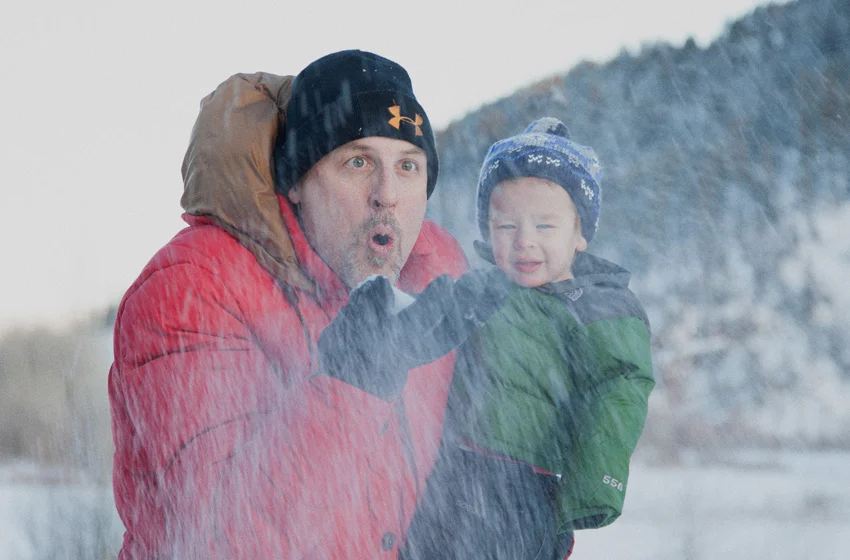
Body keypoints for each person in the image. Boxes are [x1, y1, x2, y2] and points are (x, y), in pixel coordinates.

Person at [107, 50, 501, 559]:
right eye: (357, 162)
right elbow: (215, 542)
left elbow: (470, 464)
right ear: (295, 182)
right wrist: (350, 382)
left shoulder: (435, 273)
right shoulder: (191, 290)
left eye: (408, 166)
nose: (387, 195)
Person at [389, 117, 656, 559]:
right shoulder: (479, 289)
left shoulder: (596, 307)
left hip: (527, 484)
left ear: (580, 234)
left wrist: (594, 484)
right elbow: (425, 335)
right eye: (507, 226)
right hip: (449, 471)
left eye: (545, 227)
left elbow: (620, 387)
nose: (524, 242)